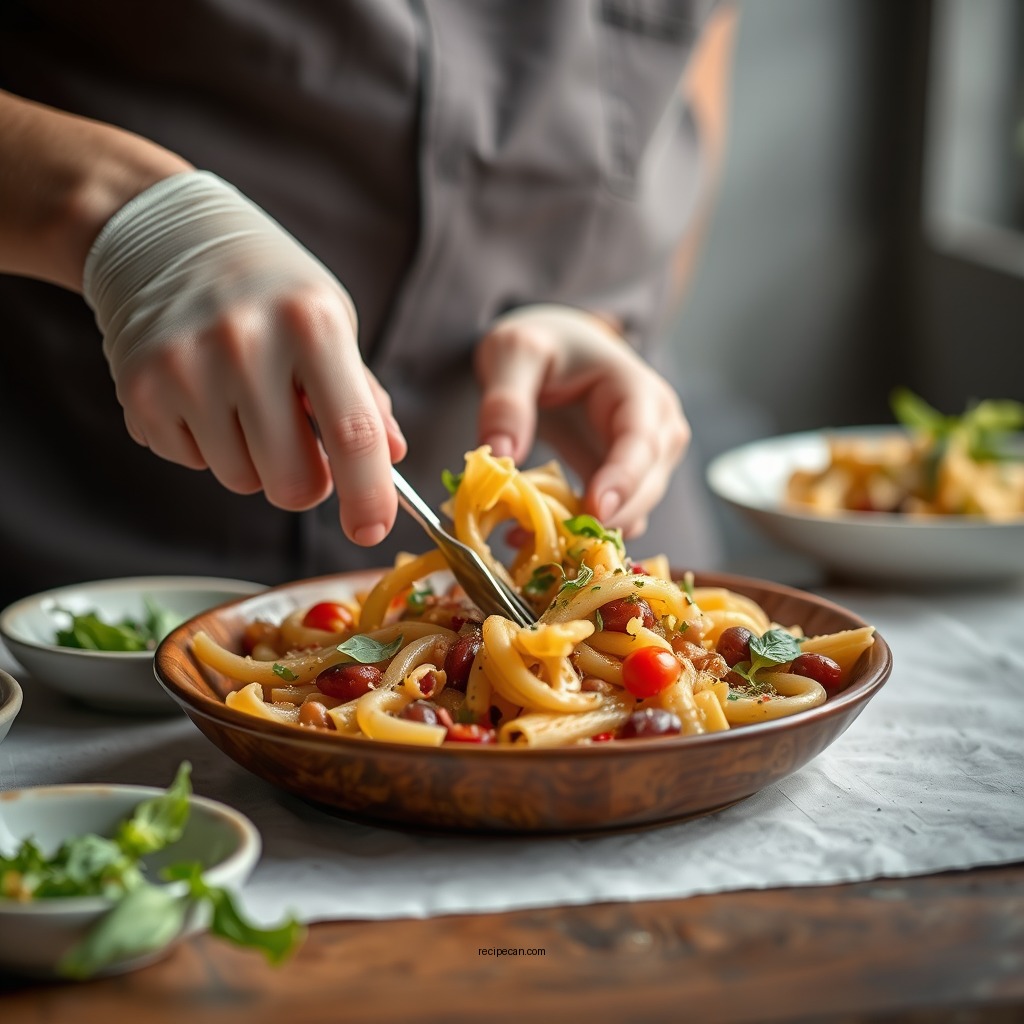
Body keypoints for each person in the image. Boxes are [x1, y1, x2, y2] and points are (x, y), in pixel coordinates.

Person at [0, 1, 737, 606]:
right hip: (82, 591)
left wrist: (600, 316)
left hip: (619, 601)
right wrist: (112, 210)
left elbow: (686, 102)